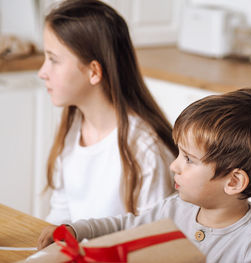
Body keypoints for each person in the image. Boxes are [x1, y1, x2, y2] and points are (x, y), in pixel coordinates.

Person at [38, 88, 251, 262]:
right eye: (180, 154)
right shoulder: (173, 209)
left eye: (189, 159)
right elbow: (123, 227)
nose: (174, 166)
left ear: (234, 181)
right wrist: (75, 229)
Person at [37, 0, 177, 225]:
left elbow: (151, 242)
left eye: (53, 60)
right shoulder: (72, 128)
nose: (42, 72)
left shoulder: (144, 149)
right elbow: (60, 216)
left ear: (94, 71)